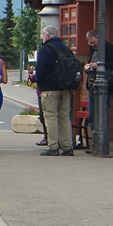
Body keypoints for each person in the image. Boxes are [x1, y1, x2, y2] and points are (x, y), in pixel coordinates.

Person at [34, 24, 75, 156]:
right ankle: (67, 146)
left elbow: (40, 70)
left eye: (42, 35)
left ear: (47, 36)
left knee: (50, 116)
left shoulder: (45, 50)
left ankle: (53, 146)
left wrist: (37, 81)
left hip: (49, 89)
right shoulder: (65, 48)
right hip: (66, 87)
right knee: (64, 117)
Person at [84, 29, 113, 141]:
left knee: (102, 114)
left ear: (99, 38)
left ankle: (103, 143)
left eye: (93, 42)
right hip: (93, 84)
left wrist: (100, 65)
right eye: (90, 43)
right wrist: (88, 67)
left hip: (105, 85)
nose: (92, 45)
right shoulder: (93, 50)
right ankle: (96, 142)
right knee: (92, 116)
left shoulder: (109, 48)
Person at [27, 64, 48, 146]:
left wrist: (32, 76)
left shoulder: (44, 56)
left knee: (45, 116)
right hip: (45, 91)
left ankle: (48, 138)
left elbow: (40, 76)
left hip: (44, 92)